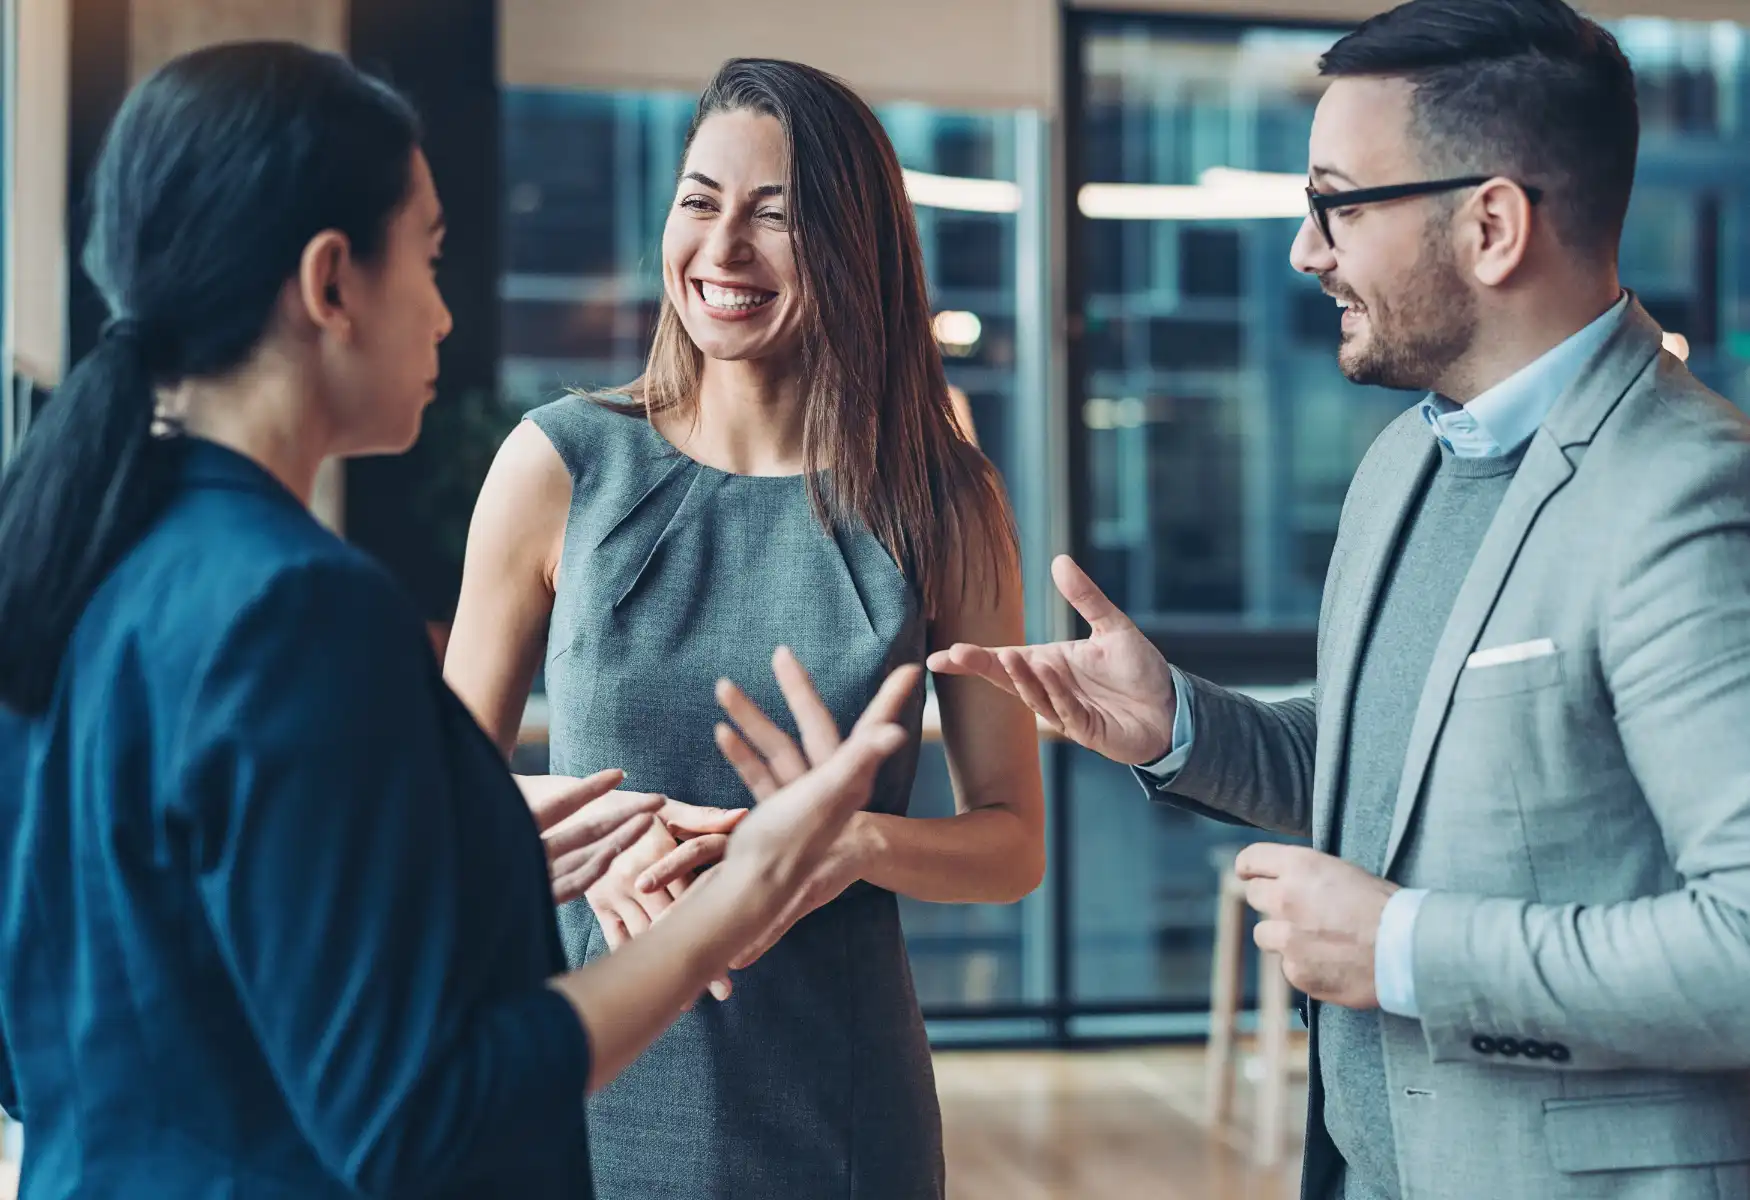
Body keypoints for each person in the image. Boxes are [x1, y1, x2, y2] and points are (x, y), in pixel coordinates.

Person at [0, 41, 922, 1199]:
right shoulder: (299, 608)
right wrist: (745, 893)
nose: (443, 314)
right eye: (430, 260)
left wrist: (463, 851)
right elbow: (420, 1120)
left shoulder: (68, 555)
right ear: (333, 283)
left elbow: (42, 1037)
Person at [932, 2, 1750, 1198]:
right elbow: (1400, 773)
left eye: (1337, 203)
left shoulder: (1685, 496)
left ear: (1490, 224)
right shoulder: (1403, 463)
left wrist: (1402, 950)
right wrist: (1180, 726)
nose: (1305, 251)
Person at [444, 57, 1045, 1200]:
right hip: (584, 1077)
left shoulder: (943, 499)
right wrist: (575, 837)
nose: (722, 250)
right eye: (699, 200)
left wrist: (851, 844)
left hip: (838, 1102)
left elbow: (1012, 841)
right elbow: (429, 814)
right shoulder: (557, 466)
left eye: (775, 217)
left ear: (854, 246)